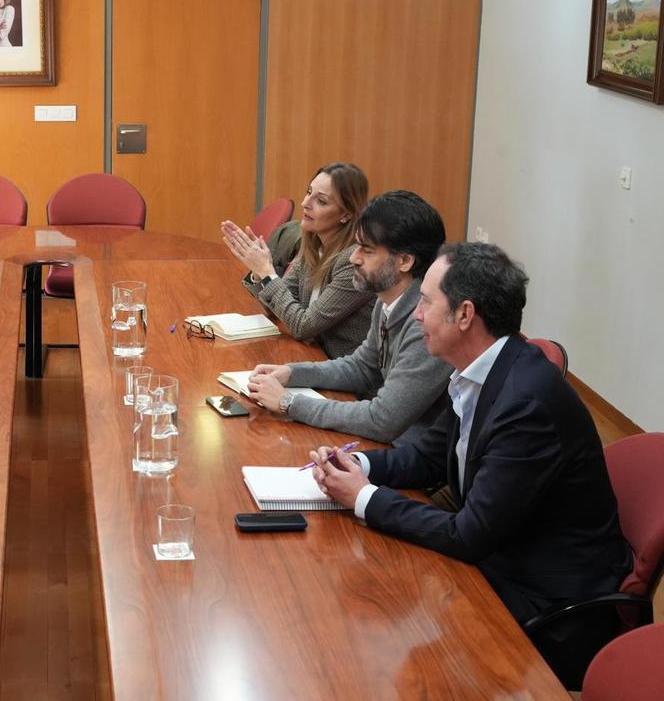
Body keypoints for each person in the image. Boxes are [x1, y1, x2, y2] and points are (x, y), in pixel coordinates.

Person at [308, 243, 631, 683]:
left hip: (546, 603)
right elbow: (428, 456)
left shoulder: (526, 403)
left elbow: (469, 534)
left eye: (426, 301)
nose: (416, 314)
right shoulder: (480, 370)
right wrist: (358, 465)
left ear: (464, 314)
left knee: (368, 628)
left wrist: (363, 497)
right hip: (500, 557)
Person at [246, 190, 453, 444]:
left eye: (366, 250)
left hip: (408, 459)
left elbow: (382, 420)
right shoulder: (388, 298)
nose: (354, 258)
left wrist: (289, 403)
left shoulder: (426, 325)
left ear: (405, 261)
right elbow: (362, 367)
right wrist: (291, 373)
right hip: (384, 441)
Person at [221, 162, 374, 359]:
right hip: (310, 356)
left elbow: (303, 326)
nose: (305, 203)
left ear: (346, 214)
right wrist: (259, 272)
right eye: (308, 192)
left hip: (342, 373)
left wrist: (268, 274)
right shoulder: (314, 245)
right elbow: (278, 307)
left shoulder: (353, 261)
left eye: (321, 201)